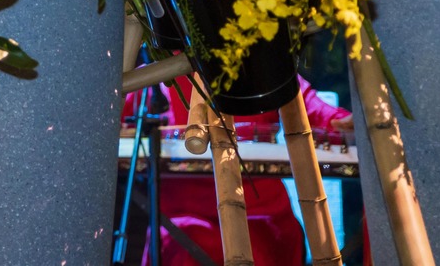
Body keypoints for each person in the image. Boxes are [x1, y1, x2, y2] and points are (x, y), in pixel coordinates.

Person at [126, 75, 353, 266]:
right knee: (188, 243)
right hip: (182, 216)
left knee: (270, 242)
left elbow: (311, 107)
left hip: (262, 212)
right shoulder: (156, 74)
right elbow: (114, 119)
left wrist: (341, 121)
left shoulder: (259, 60)